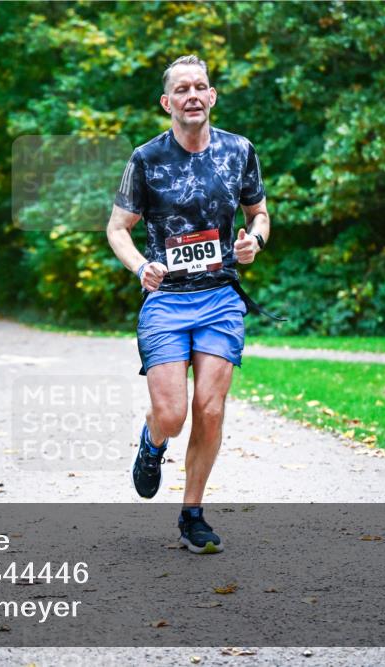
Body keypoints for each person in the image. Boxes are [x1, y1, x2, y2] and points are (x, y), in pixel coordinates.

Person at [106, 55, 271, 554]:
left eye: (200, 86)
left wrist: (255, 241)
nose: (192, 95)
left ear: (212, 96)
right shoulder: (146, 159)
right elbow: (117, 229)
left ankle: (192, 515)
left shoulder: (239, 151)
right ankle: (152, 441)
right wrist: (141, 266)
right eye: (182, 89)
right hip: (167, 301)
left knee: (210, 409)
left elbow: (259, 214)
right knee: (173, 413)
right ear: (167, 102)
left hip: (221, 297)